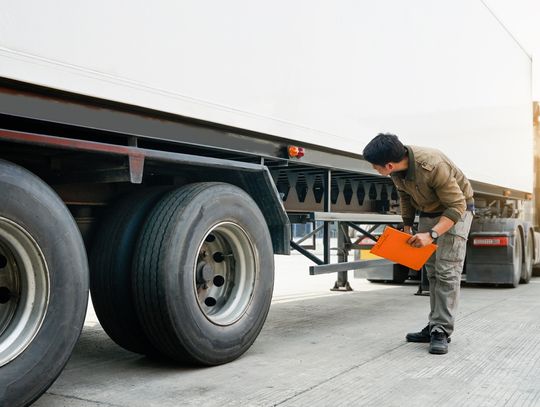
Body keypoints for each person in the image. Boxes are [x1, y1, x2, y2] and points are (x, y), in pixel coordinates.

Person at [362, 133, 474, 354]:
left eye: (376, 167)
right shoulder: (396, 171)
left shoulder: (433, 165)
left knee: (447, 271)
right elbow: (405, 196)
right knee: (432, 271)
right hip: (429, 211)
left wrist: (431, 234)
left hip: (457, 212)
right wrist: (406, 227)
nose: (376, 170)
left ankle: (441, 330)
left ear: (389, 164)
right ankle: (435, 325)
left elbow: (457, 205)